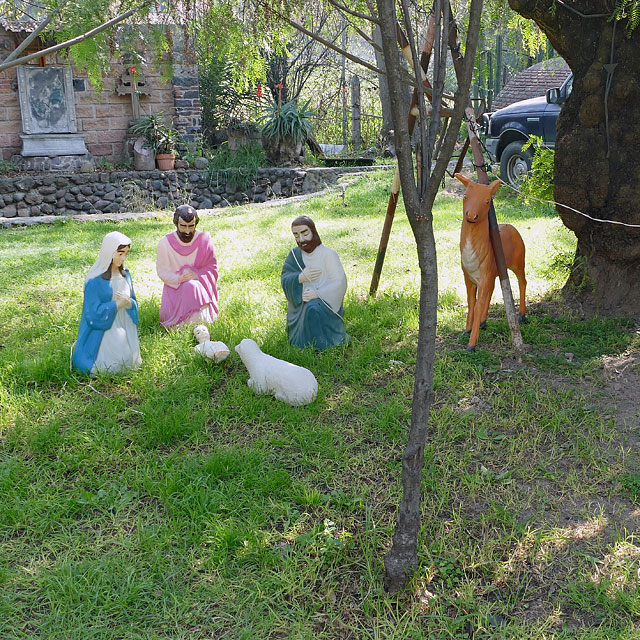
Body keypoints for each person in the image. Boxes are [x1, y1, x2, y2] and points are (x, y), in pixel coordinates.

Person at [72, 231, 142, 375]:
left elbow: (133, 300)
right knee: (114, 363)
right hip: (104, 331)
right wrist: (116, 305)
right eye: (120, 253)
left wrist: (129, 304)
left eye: (126, 253)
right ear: (109, 252)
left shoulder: (126, 275)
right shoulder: (94, 281)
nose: (123, 258)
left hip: (125, 325)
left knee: (128, 360)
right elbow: (92, 313)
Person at [281, 215, 349, 350]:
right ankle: (302, 343)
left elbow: (339, 282)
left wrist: (317, 294)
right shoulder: (294, 255)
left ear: (313, 231)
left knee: (313, 308)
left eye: (305, 233)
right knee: (309, 308)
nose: (301, 239)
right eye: (296, 235)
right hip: (301, 305)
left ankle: (323, 345)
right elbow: (285, 278)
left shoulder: (328, 254)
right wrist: (300, 278)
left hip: (325, 303)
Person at [156, 205, 219, 327]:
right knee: (189, 286)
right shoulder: (165, 242)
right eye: (183, 226)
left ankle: (200, 320)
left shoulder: (204, 240)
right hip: (175, 289)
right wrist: (178, 278)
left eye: (191, 226)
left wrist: (197, 275)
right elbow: (162, 271)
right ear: (176, 223)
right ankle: (182, 323)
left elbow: (212, 268)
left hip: (200, 287)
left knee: (192, 286)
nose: (187, 231)